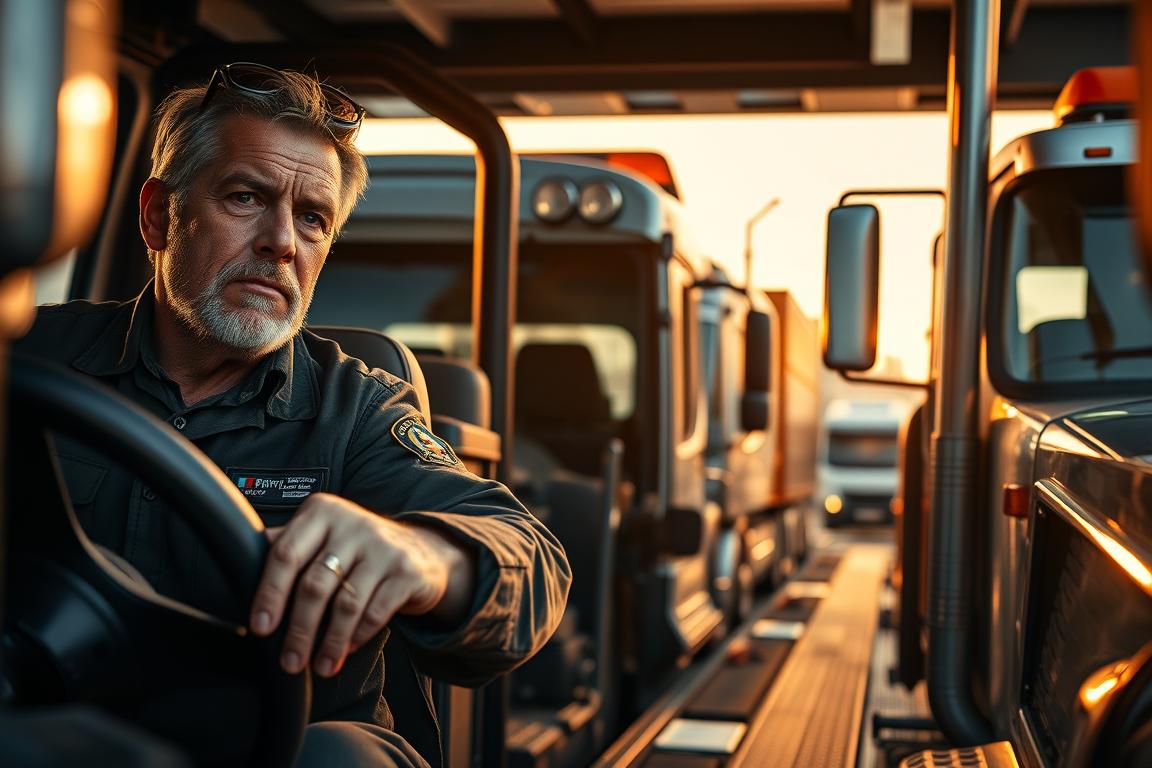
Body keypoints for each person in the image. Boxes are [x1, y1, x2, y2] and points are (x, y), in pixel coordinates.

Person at [15, 62, 571, 767]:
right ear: (159, 216)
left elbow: (533, 562)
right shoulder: (29, 358)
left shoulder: (356, 408)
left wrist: (424, 556)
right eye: (247, 197)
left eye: (313, 219)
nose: (283, 242)